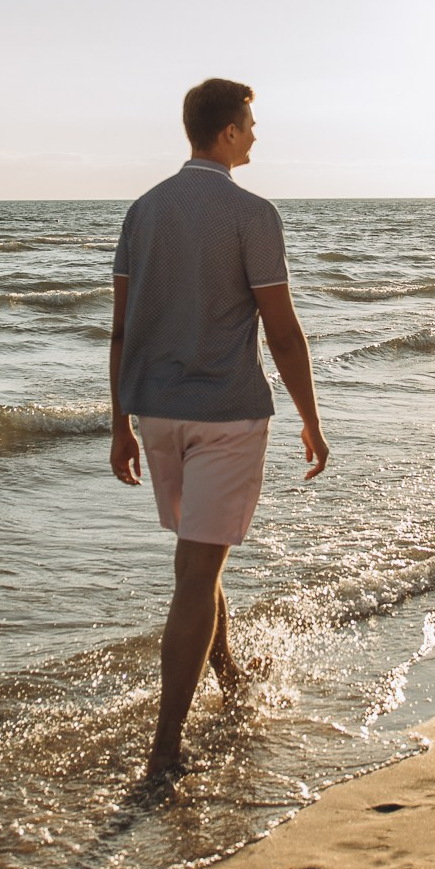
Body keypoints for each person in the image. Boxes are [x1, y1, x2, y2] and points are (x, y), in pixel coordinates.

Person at [109, 78, 329, 776]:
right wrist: (311, 418)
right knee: (197, 571)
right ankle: (165, 748)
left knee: (197, 564)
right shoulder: (252, 214)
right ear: (228, 132)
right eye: (250, 124)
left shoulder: (143, 211)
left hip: (156, 415)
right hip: (226, 416)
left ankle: (229, 679)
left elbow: (121, 330)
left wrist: (120, 424)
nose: (256, 134)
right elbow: (282, 331)